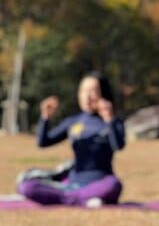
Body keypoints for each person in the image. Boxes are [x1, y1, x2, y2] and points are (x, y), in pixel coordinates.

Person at [17, 72, 125, 207]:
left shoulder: (112, 122)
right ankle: (82, 199)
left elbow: (118, 145)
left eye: (92, 90)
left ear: (102, 93)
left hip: (99, 182)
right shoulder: (74, 121)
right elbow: (43, 142)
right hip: (71, 184)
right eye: (83, 91)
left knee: (114, 184)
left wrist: (109, 119)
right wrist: (45, 117)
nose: (87, 96)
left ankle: (70, 198)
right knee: (27, 187)